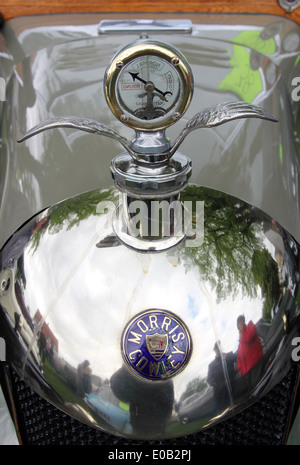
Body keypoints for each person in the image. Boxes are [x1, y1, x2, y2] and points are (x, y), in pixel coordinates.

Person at [236, 315, 263, 390]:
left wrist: (241, 335)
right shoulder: (240, 343)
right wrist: (239, 368)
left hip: (255, 364)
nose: (240, 324)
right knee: (252, 390)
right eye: (238, 323)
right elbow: (239, 357)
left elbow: (249, 338)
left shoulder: (250, 326)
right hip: (246, 372)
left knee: (258, 387)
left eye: (241, 321)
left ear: (244, 321)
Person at [207, 341, 236, 411]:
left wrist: (227, 358)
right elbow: (209, 379)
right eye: (216, 348)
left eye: (219, 348)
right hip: (220, 392)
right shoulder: (211, 365)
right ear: (214, 350)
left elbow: (236, 357)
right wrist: (217, 385)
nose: (218, 350)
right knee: (220, 410)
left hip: (233, 387)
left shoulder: (229, 355)